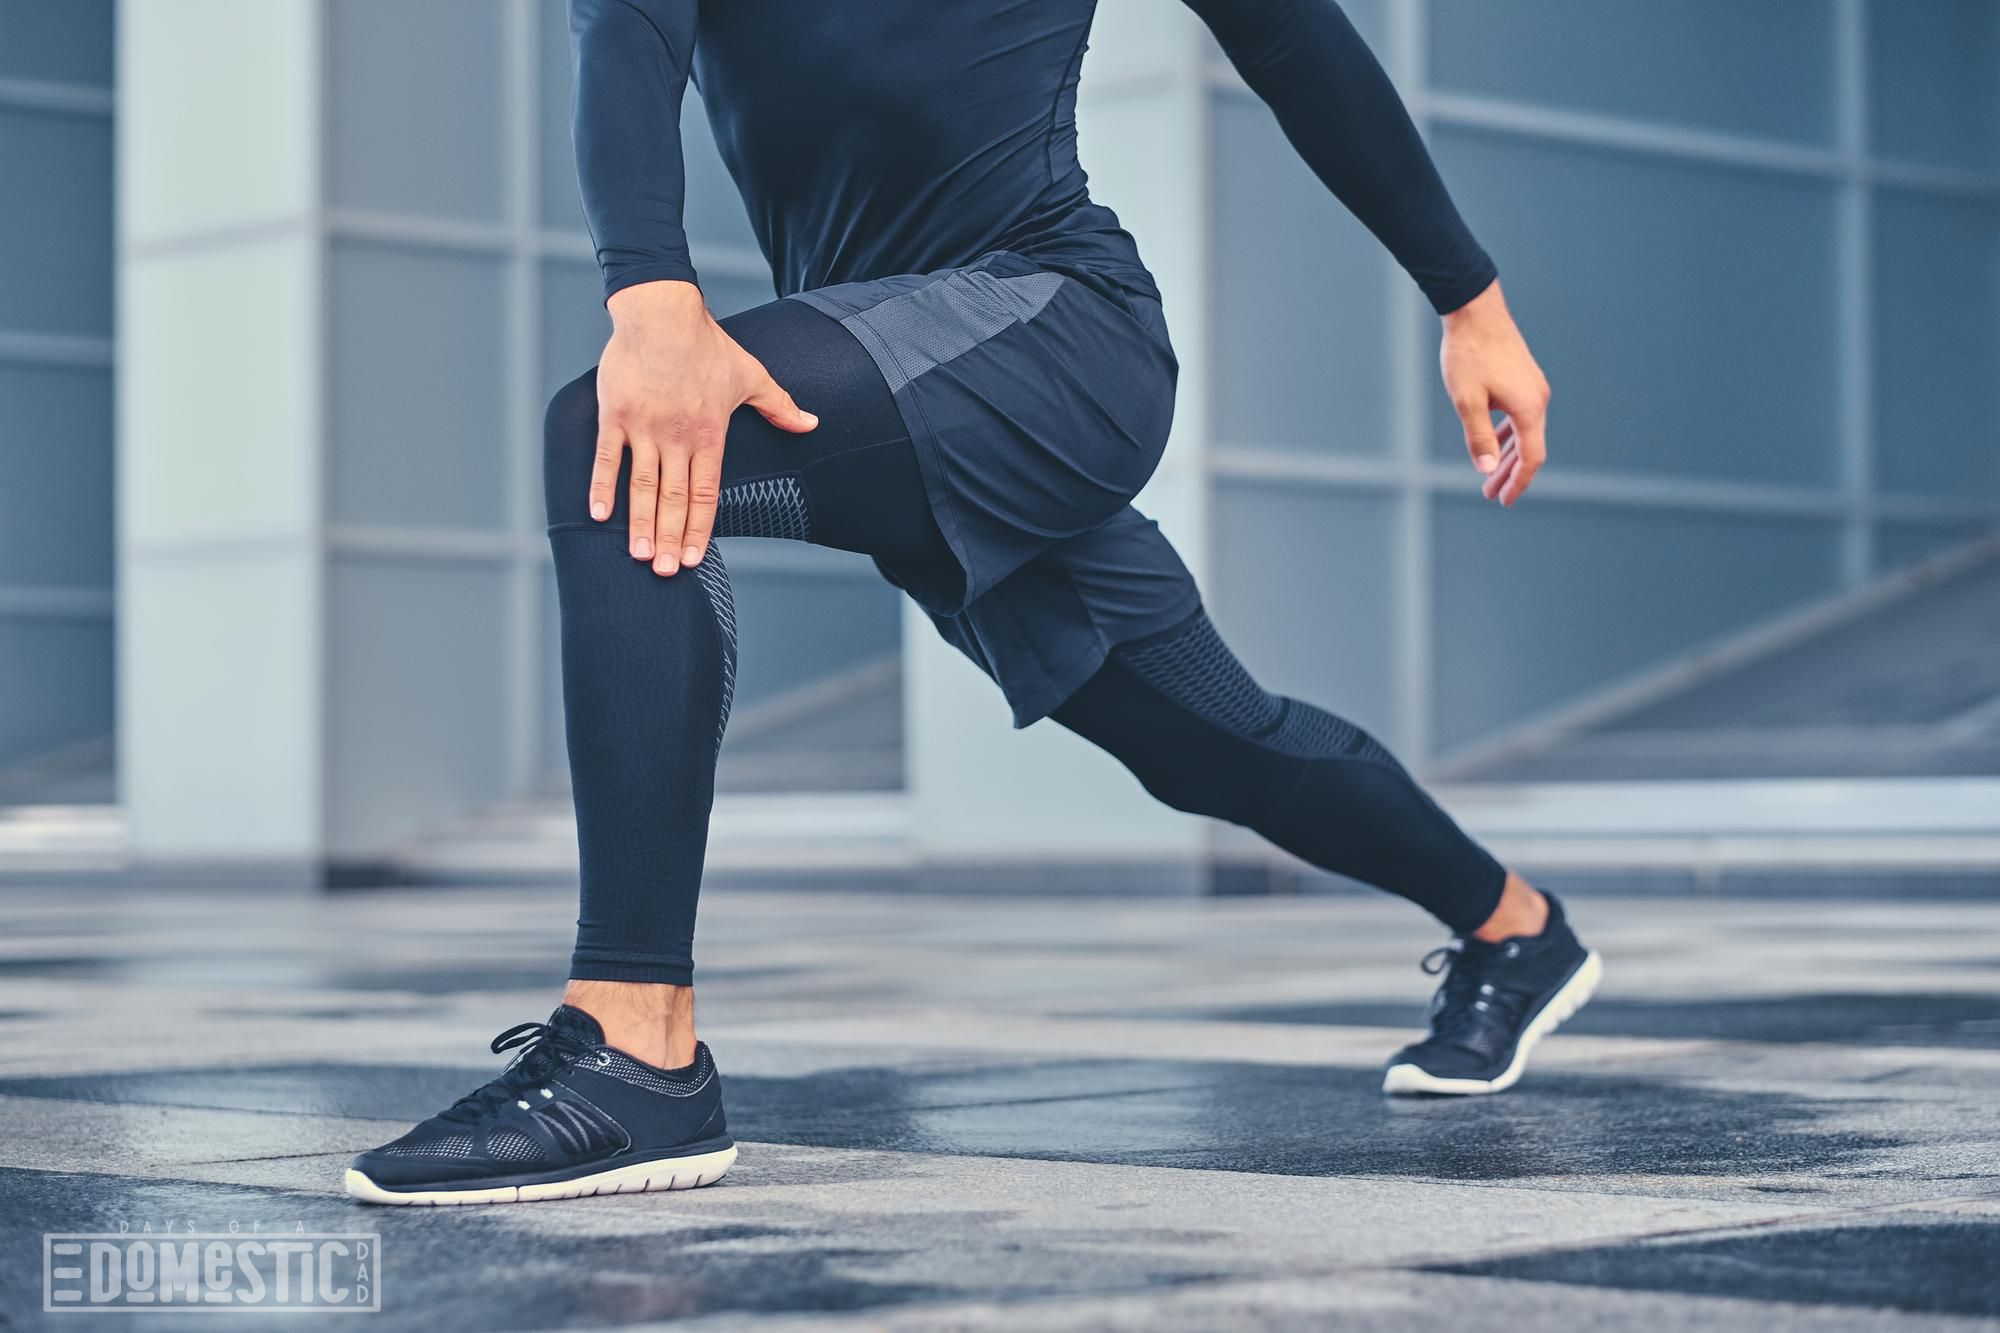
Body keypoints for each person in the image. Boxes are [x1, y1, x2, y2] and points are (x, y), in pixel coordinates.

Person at [345, 0, 1599, 1207]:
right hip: (889, 357)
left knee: (619, 443)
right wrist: (650, 289)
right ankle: (1515, 928)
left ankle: (635, 1048)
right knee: (1207, 738)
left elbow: (1286, 32)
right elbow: (626, 20)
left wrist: (1469, 303)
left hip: (1050, 326)